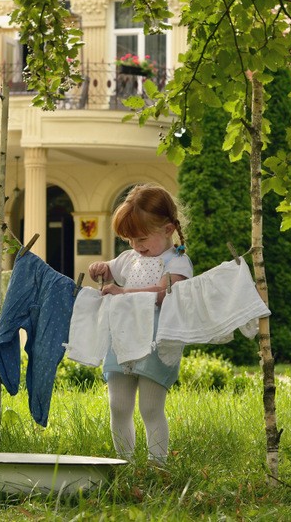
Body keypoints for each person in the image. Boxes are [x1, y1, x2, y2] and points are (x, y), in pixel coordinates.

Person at [88, 183, 193, 465]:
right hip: (122, 338)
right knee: (118, 405)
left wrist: (122, 293)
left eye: (142, 239)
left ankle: (157, 465)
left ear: (168, 229)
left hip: (155, 341)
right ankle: (126, 463)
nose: (136, 246)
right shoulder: (131, 258)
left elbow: (162, 294)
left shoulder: (177, 262)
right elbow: (113, 267)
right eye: (130, 240)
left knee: (150, 407)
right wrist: (102, 268)